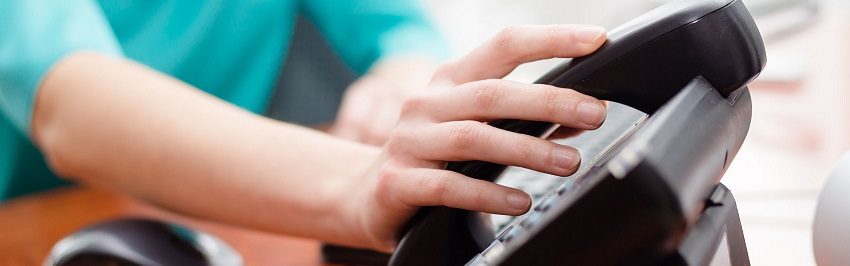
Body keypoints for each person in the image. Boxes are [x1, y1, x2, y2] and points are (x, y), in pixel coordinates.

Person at [0, 1, 608, 251]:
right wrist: (354, 185)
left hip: (236, 222)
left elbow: (397, 32)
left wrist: (397, 88)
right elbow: (67, 100)